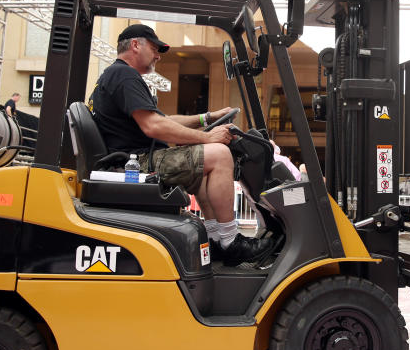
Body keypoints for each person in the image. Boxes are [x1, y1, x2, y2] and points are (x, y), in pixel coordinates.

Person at [88, 23, 272, 266]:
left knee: (206, 170)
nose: (157, 56)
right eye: (154, 49)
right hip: (136, 164)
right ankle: (231, 241)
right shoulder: (124, 75)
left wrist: (207, 118)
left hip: (135, 159)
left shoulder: (117, 76)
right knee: (219, 155)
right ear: (135, 45)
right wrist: (208, 138)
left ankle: (216, 240)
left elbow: (163, 120)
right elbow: (153, 126)